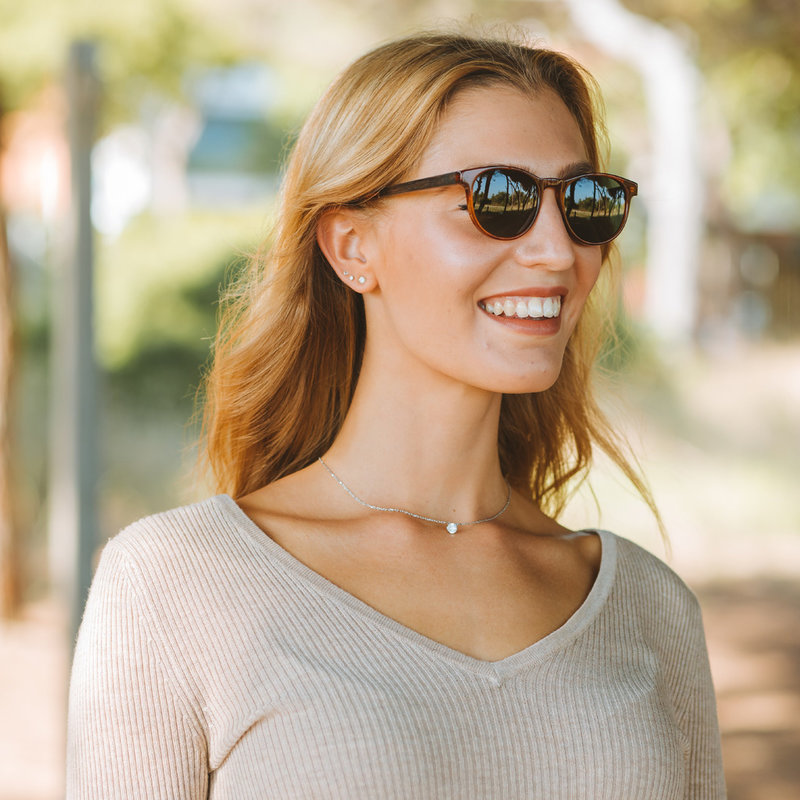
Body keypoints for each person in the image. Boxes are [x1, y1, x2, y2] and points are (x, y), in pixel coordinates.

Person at [66, 30, 726, 799]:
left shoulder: (649, 611)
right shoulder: (176, 582)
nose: (557, 250)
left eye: (584, 203)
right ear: (351, 245)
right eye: (500, 199)